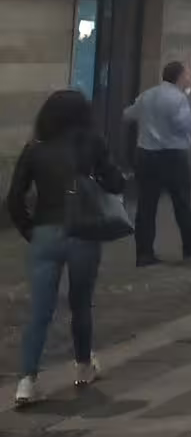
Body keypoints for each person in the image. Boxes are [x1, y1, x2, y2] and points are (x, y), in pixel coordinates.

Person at [8, 90, 124, 407]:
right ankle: (83, 366)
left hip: (45, 233)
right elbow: (116, 183)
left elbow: (14, 198)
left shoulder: (34, 148)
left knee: (40, 312)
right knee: (81, 304)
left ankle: (27, 381)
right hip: (83, 232)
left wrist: (30, 230)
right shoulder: (92, 143)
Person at [123, 60, 191, 265]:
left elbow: (128, 114)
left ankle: (144, 253)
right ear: (179, 77)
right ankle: (190, 244)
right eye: (188, 75)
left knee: (146, 205)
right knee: (182, 202)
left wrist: (149, 123)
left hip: (145, 154)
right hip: (172, 155)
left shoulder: (148, 94)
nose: (190, 78)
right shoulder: (177, 98)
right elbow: (185, 125)